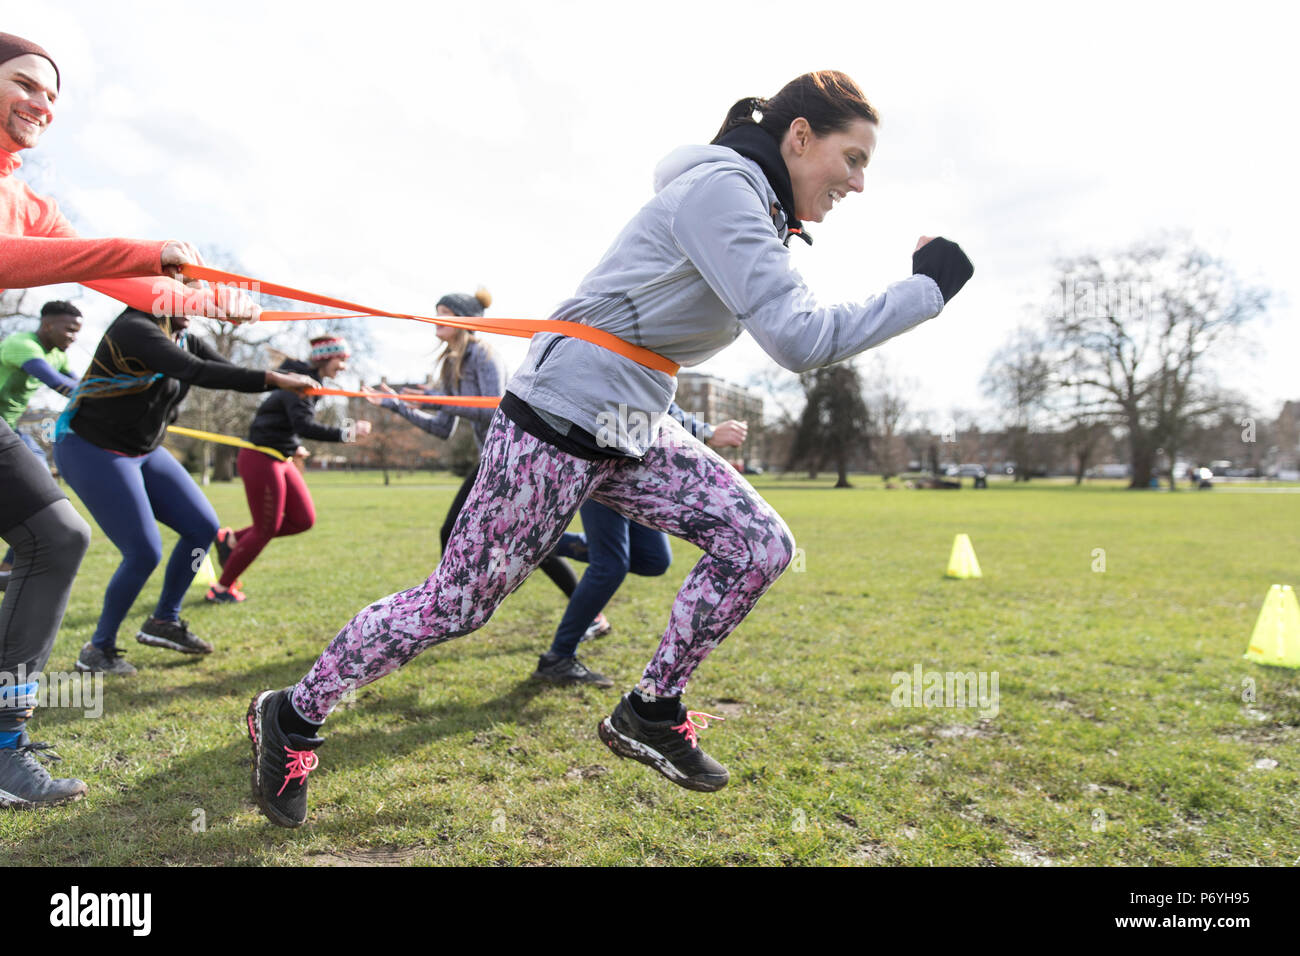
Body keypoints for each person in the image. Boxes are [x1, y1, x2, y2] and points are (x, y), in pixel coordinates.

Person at [248, 70, 973, 827]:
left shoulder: (755, 207)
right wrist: (926, 290)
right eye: (852, 159)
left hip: (630, 425)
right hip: (558, 418)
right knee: (458, 604)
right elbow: (799, 338)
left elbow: (663, 337)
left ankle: (651, 710)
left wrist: (687, 429)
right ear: (799, 136)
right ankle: (293, 717)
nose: (858, 183)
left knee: (758, 543)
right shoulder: (723, 192)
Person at [0, 30, 257, 807]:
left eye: (52, 95)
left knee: (57, 537)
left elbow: (121, 278)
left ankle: (5, 743)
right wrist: (137, 250)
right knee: (55, 540)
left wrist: (209, 299)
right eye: (24, 84)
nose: (42, 103)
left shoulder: (30, 199)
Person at [53, 306, 315, 674]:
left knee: (202, 528)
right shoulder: (135, 329)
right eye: (184, 296)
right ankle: (98, 649)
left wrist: (290, 377)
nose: (193, 306)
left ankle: (164, 621)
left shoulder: (183, 336)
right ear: (155, 297)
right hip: (92, 449)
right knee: (143, 552)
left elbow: (225, 370)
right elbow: (198, 371)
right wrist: (275, 378)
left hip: (143, 450)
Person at [362, 287, 581, 604]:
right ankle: (452, 602)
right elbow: (441, 429)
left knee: (501, 539)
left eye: (444, 315)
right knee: (513, 541)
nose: (436, 320)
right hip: (492, 459)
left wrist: (437, 400)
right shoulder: (451, 366)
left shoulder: (483, 355)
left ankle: (446, 604)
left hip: (515, 456)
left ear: (465, 321)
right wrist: (399, 405)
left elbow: (494, 408)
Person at [535, 410, 748, 687]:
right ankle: (558, 657)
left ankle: (548, 544)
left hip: (637, 467)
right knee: (610, 566)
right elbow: (649, 401)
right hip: (599, 455)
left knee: (654, 559)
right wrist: (706, 431)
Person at [210, 335, 371, 602]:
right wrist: (349, 433)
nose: (343, 367)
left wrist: (292, 445)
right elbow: (303, 424)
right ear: (324, 358)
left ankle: (231, 539)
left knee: (303, 519)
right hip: (261, 457)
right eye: (340, 360)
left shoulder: (308, 381)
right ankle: (221, 588)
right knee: (265, 529)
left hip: (279, 456)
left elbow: (285, 421)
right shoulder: (299, 383)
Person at [0, 301, 82, 589]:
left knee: (45, 488)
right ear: (47, 325)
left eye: (78, 331)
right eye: (69, 329)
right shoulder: (21, 344)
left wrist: (103, 392)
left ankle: (8, 567)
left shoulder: (57, 355)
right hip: (4, 429)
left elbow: (78, 382)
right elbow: (55, 382)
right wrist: (98, 395)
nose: (73, 336)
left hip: (9, 429)